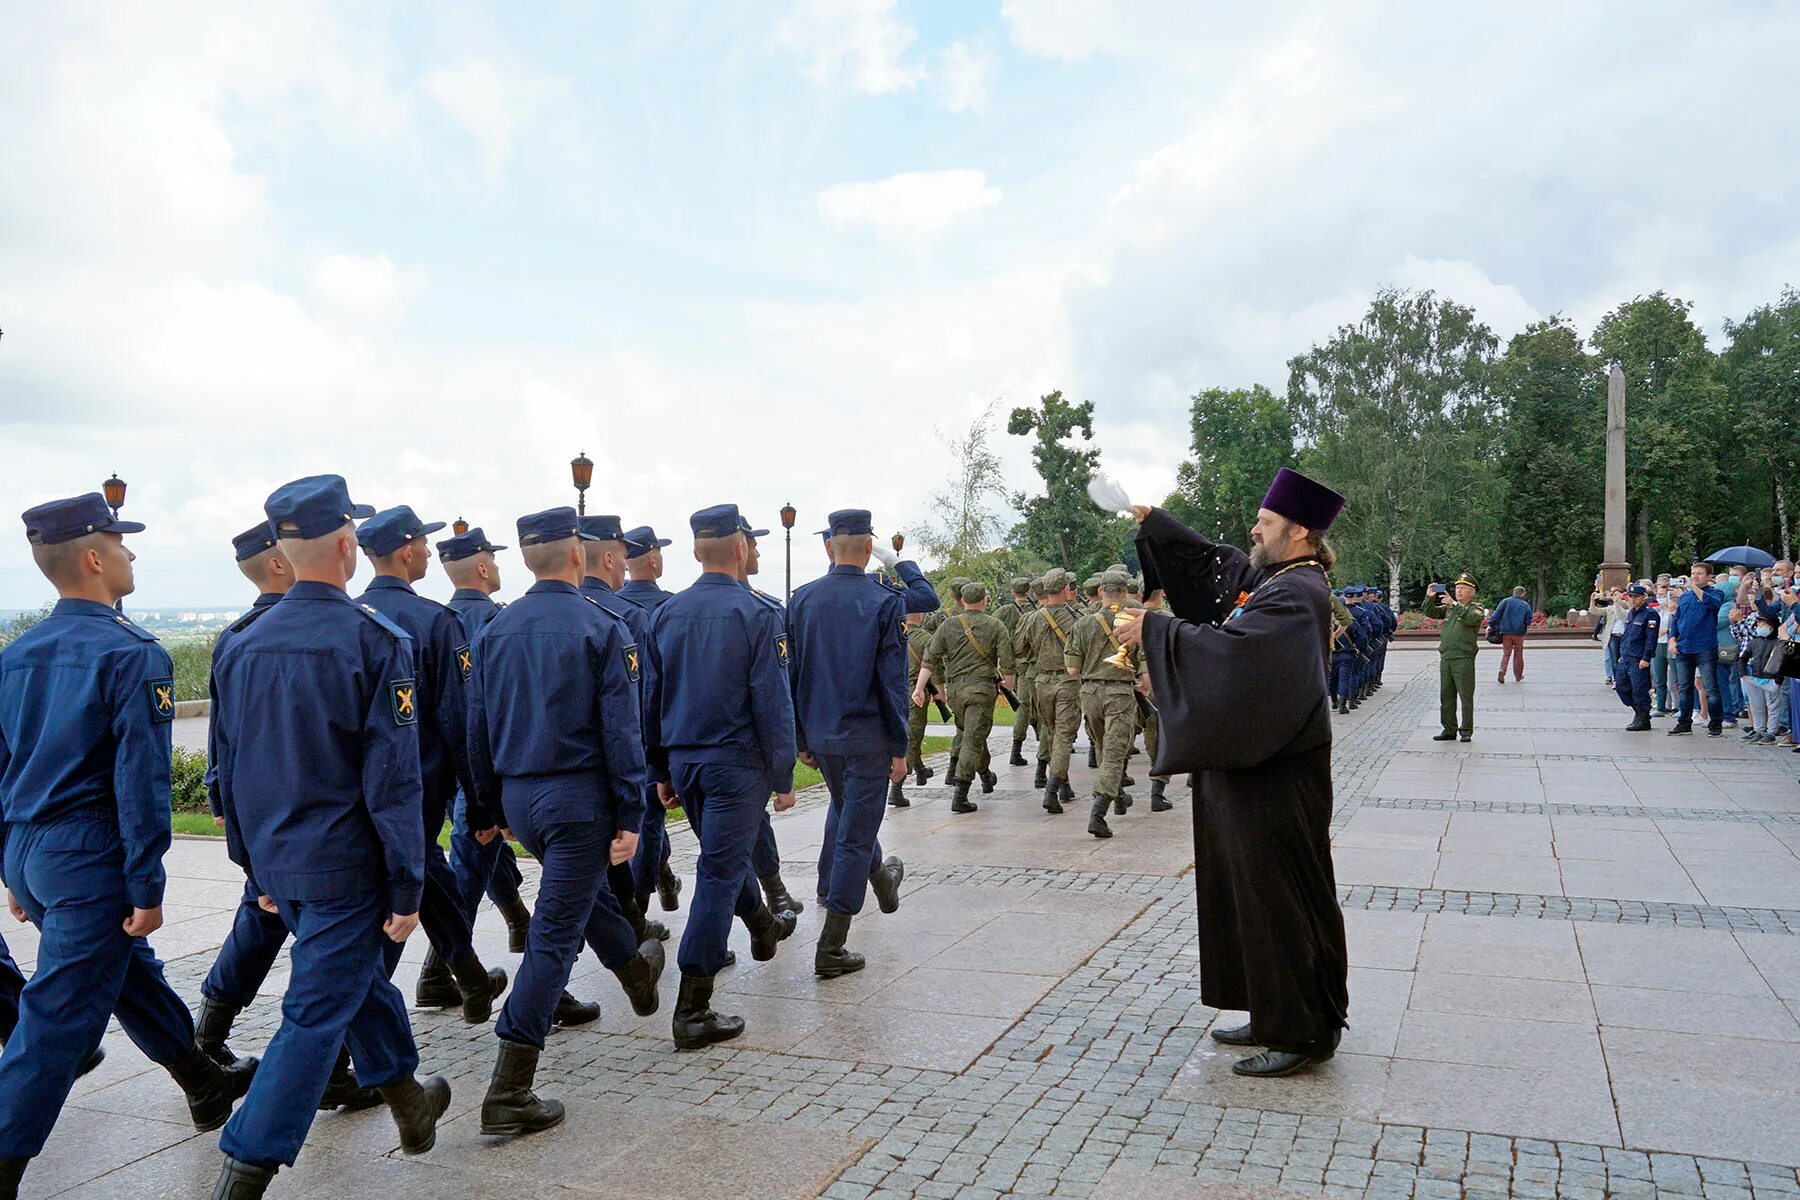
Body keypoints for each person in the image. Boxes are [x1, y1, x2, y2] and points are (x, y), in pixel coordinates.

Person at [1, 495, 257, 1200]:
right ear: (93, 557)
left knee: (126, 969)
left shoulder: (17, 655)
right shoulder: (131, 652)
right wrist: (146, 886)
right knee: (57, 1020)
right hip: (87, 856)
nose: (131, 555)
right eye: (122, 543)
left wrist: (12, 869)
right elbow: (140, 782)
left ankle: (203, 1081)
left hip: (32, 848)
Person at [208, 475, 450, 1197]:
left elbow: (231, 770)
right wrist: (408, 884)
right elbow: (394, 782)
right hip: (345, 867)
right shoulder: (373, 640)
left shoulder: (241, 642)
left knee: (352, 984)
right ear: (348, 545)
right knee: (314, 1015)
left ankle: (410, 1104)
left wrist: (254, 868)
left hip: (279, 863)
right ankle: (246, 1165)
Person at [1108, 466, 1349, 1078]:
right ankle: (1271, 1009)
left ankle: (1301, 1029)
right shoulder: (1281, 580)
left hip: (1276, 775)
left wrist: (1156, 631)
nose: (1254, 529)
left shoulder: (1299, 592)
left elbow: (1239, 656)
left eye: (1266, 523)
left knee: (1279, 895)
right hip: (1252, 768)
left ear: (1300, 533)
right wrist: (1159, 526)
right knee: (1248, 892)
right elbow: (1225, 581)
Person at [466, 507, 664, 1136]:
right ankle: (510, 1087)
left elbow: (478, 729)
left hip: (523, 800)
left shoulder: (496, 630)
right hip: (579, 801)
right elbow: (621, 733)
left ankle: (635, 972)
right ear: (578, 554)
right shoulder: (601, 627)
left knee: (576, 894)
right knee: (552, 937)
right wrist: (632, 811)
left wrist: (487, 807)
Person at [194, 524, 377, 1111]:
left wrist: (228, 809)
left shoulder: (242, 637)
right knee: (324, 947)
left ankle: (218, 1032)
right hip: (316, 833)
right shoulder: (274, 635)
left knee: (302, 938)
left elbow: (225, 744)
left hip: (273, 828)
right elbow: (229, 736)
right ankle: (331, 1068)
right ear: (279, 563)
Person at [644, 505, 799, 1050]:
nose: (752, 552)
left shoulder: (667, 613)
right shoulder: (757, 614)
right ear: (739, 548)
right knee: (716, 871)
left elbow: (652, 700)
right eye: (750, 543)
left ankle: (759, 922)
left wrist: (661, 767)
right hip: (736, 764)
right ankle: (693, 1005)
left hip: (687, 762)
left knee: (723, 861)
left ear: (694, 551)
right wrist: (783, 776)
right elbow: (772, 703)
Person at [354, 507, 508, 1023]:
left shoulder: (352, 617)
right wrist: (482, 805)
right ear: (404, 551)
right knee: (399, 905)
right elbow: (459, 724)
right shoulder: (435, 623)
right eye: (422, 543)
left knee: (431, 875)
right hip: (417, 787)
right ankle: (353, 1026)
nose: (427, 552)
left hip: (362, 790)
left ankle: (468, 975)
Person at [787, 509, 908, 977]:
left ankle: (883, 881)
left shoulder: (801, 600)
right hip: (867, 737)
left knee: (852, 816)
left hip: (822, 734)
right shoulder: (884, 601)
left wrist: (801, 737)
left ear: (829, 546)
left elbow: (792, 675)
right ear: (867, 546)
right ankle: (831, 947)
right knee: (854, 836)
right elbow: (892, 683)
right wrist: (899, 747)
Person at [578, 514, 674, 947]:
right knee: (637, 833)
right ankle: (634, 919)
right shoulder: (627, 617)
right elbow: (640, 703)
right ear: (613, 557)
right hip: (620, 759)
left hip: (559, 772)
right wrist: (655, 762)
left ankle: (632, 924)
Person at [438, 526, 534, 955]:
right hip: (481, 761)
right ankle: (441, 968)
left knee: (484, 851)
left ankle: (519, 922)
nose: (496, 566)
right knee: (471, 856)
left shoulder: (438, 619)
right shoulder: (495, 620)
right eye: (492, 559)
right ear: (481, 566)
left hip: (442, 761)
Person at [618, 524, 683, 914]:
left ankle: (662, 876)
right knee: (651, 819)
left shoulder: (609, 606)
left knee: (642, 815)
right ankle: (637, 908)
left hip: (621, 725)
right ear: (654, 559)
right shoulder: (672, 606)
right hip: (666, 724)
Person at [914, 583, 1016, 814]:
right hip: (981, 690)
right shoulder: (995, 625)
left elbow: (930, 659)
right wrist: (1007, 685)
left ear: (961, 600)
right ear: (985, 600)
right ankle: (961, 793)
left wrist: (920, 688)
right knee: (973, 738)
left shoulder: (947, 625)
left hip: (956, 692)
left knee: (972, 735)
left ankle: (986, 775)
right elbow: (1008, 663)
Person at [1065, 570, 1150, 838]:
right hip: (1119, 694)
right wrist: (1142, 686)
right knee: (1114, 752)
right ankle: (1098, 813)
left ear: (1101, 592)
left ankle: (1119, 796)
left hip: (1090, 694)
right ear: (1125, 594)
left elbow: (1072, 669)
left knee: (1103, 747)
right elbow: (1146, 675)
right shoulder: (1133, 622)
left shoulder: (1082, 624)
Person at [1022, 570, 1081, 814]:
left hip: (1041, 682)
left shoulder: (1033, 618)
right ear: (1066, 589)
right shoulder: (1075, 617)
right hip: (1067, 682)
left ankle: (1064, 786)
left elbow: (1019, 648)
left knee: (1055, 733)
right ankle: (1052, 790)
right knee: (1064, 736)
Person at [1423, 575, 1486, 743]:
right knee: (1446, 695)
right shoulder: (1450, 608)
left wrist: (1455, 605)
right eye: (1457, 587)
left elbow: (1472, 619)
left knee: (1465, 694)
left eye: (1463, 588)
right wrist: (1429, 597)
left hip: (1463, 657)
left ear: (1472, 592)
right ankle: (1449, 728)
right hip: (1447, 656)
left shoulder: (1475, 608)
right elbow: (1431, 612)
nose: (1458, 590)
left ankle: (1466, 730)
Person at [1668, 563, 1726, 736]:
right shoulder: (1685, 597)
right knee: (1684, 687)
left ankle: (1715, 724)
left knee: (1711, 688)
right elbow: (1677, 619)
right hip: (1684, 647)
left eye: (1699, 574)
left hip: (1705, 647)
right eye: (1693, 573)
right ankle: (1684, 723)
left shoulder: (1715, 593)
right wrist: (1672, 639)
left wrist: (1692, 587)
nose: (1695, 576)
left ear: (1709, 577)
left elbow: (1712, 605)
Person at [1614, 584, 1659, 731]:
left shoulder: (1650, 614)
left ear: (1643, 597)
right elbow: (1627, 635)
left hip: (1638, 658)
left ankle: (1643, 717)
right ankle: (1639, 712)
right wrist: (1621, 655)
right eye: (1630, 597)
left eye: (1636, 597)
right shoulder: (1632, 613)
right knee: (1621, 687)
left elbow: (1651, 638)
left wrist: (1646, 658)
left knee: (1639, 689)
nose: (1632, 600)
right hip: (1626, 656)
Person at [1490, 586, 1533, 683]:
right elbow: (1528, 620)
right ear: (1522, 594)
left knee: (1506, 653)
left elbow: (1495, 615)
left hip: (1506, 632)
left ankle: (1502, 670)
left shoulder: (1505, 602)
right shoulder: (1525, 605)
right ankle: (1518, 676)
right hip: (1519, 633)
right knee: (1518, 654)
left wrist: (1492, 626)